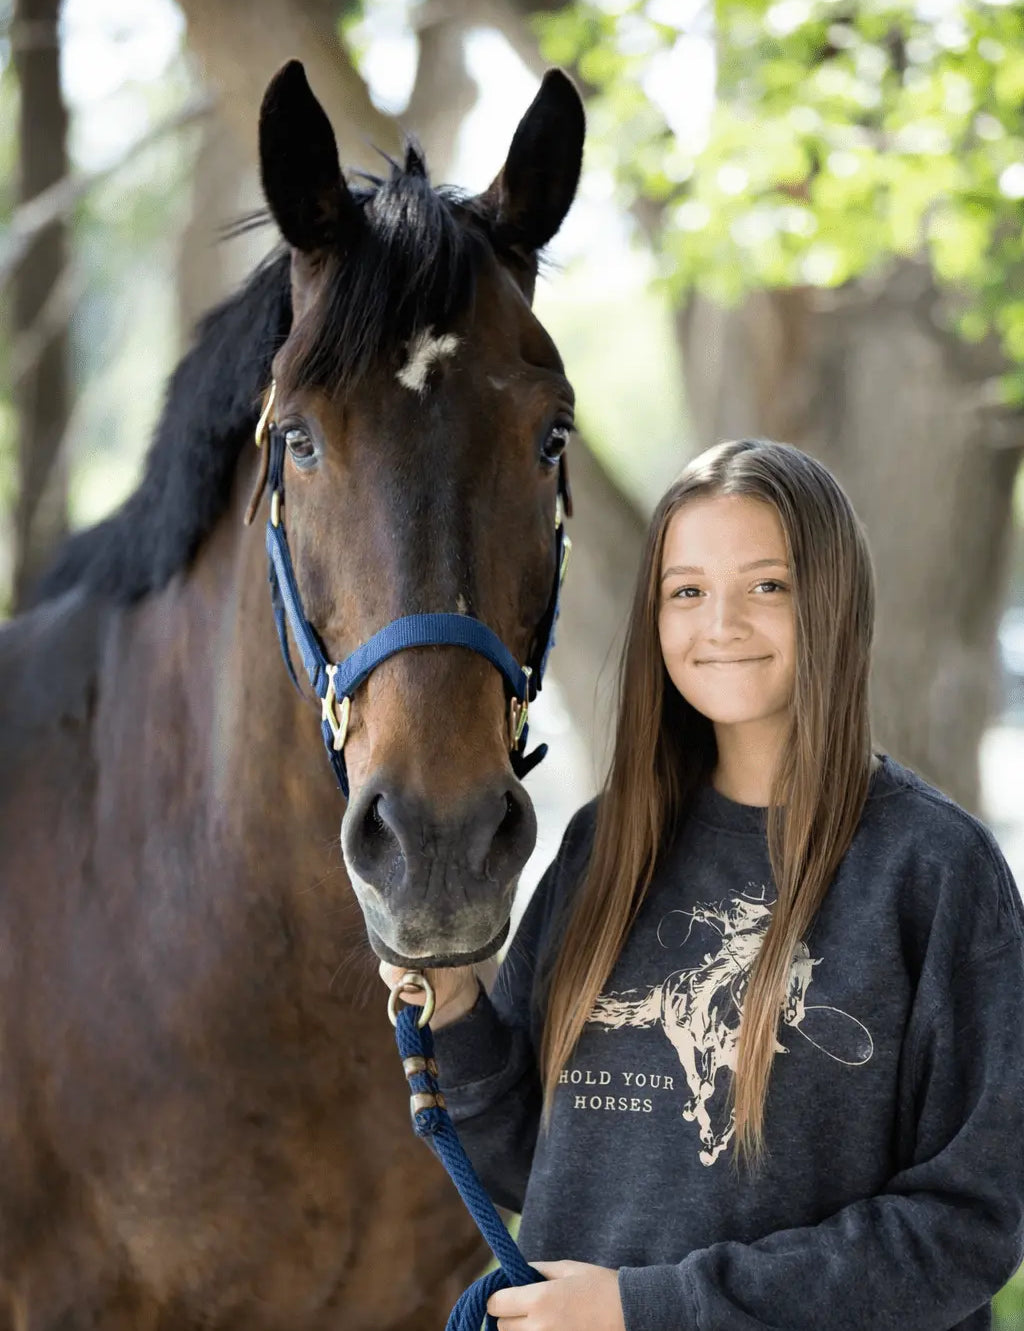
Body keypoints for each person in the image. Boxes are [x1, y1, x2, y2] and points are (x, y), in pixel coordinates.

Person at [380, 438, 1024, 1331]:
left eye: (767, 585)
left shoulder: (933, 871)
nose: (720, 623)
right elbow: (541, 1161)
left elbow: (967, 1227)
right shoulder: (605, 846)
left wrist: (648, 1308)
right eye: (686, 591)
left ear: (832, 599)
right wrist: (452, 1009)